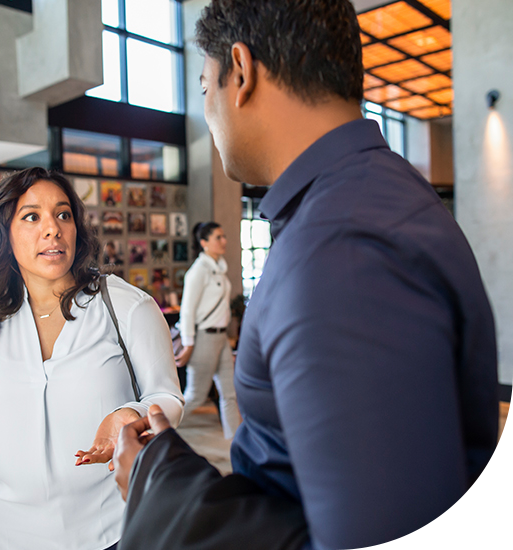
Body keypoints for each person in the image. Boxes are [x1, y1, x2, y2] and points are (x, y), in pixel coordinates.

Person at [112, 1, 499, 549]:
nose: (207, 111)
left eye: (204, 88)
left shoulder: (343, 249)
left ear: (241, 73)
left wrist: (161, 483)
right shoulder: (363, 199)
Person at [0, 167, 184, 550]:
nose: (53, 228)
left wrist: (131, 413)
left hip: (111, 532)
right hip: (4, 535)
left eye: (63, 214)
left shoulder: (126, 306)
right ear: (4, 233)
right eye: (32, 216)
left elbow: (169, 399)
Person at [175, 222, 241, 439]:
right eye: (218, 237)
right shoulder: (198, 271)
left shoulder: (220, 267)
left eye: (223, 236)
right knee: (195, 395)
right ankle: (156, 429)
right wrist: (189, 343)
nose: (224, 241)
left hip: (221, 338)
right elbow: (187, 311)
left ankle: (236, 441)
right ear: (204, 243)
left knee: (230, 394)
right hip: (204, 338)